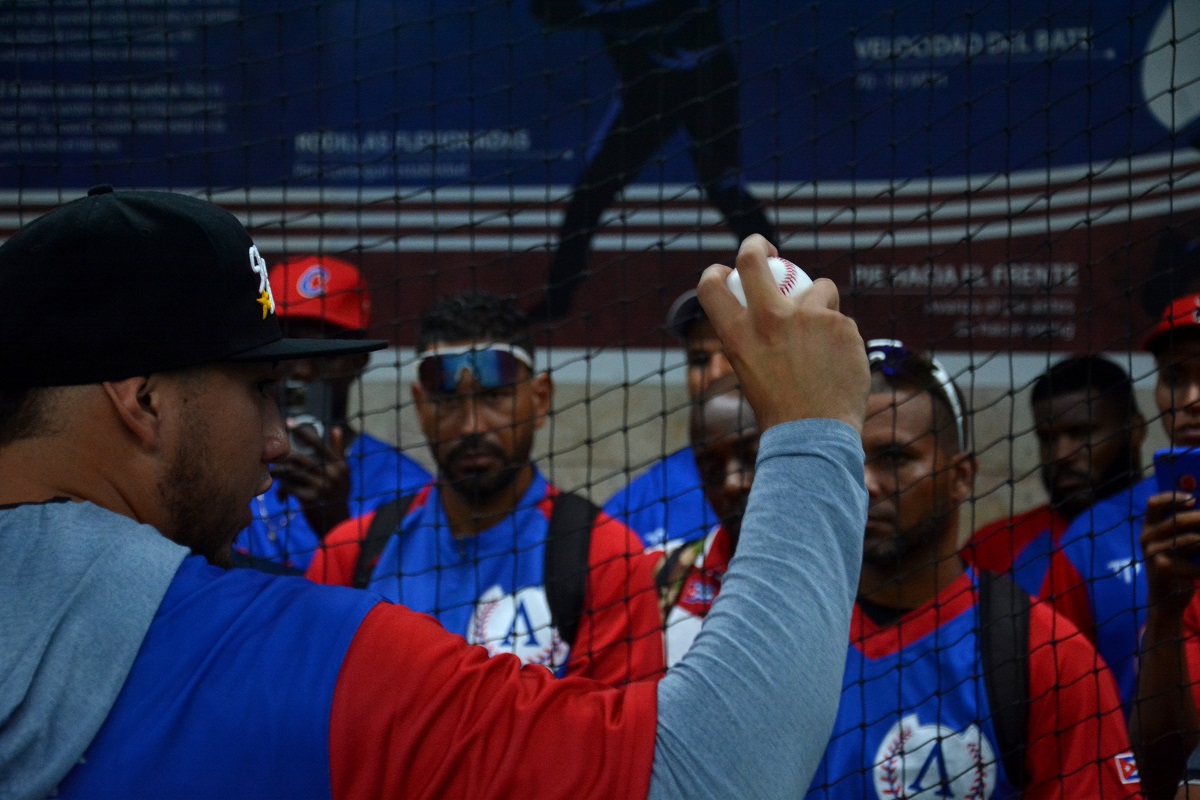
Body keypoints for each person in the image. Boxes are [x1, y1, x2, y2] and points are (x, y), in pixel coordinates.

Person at [0, 191, 870, 799]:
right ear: (142, 398)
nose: (277, 437)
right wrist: (813, 428)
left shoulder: (592, 546)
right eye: (257, 390)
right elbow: (704, 774)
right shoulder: (297, 656)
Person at [663, 339, 1140, 797]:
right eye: (850, 457)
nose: (865, 483)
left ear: (961, 477)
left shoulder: (1046, 656)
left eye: (894, 458)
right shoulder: (766, 643)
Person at [307, 291, 663, 685]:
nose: (472, 425)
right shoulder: (348, 555)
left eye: (495, 395)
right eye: (447, 399)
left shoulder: (607, 559)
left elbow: (616, 739)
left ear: (540, 399)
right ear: (420, 405)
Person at [528, 0, 776, 321]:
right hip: (648, 86)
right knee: (592, 190)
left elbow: (669, 13)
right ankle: (558, 299)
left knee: (725, 188)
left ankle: (775, 289)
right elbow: (547, 13)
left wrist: (588, 17)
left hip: (706, 78)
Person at [1042, 293, 1200, 715]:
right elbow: (1052, 701)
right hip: (1138, 776)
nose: (1191, 399)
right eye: (1174, 376)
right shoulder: (1095, 533)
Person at [234, 255, 431, 573]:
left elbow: (407, 602)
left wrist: (337, 524)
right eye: (288, 346)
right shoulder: (227, 467)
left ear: (359, 359)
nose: (303, 369)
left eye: (325, 351)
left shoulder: (406, 485)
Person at [965, 354, 1146, 594]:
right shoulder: (994, 549)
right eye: (1047, 438)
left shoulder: (1177, 531)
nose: (1061, 454)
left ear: (1134, 431)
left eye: (1081, 433)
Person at [1122, 294, 1200, 800]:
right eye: (1175, 378)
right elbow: (1161, 768)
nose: (1193, 397)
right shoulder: (1105, 525)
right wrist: (1167, 610)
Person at [602, 288, 730, 551]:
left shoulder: (815, 476)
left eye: (733, 354)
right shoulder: (642, 500)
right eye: (700, 360)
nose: (716, 373)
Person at [659, 373, 756, 666]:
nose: (731, 483)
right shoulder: (666, 576)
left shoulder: (845, 575)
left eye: (752, 457)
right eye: (712, 468)